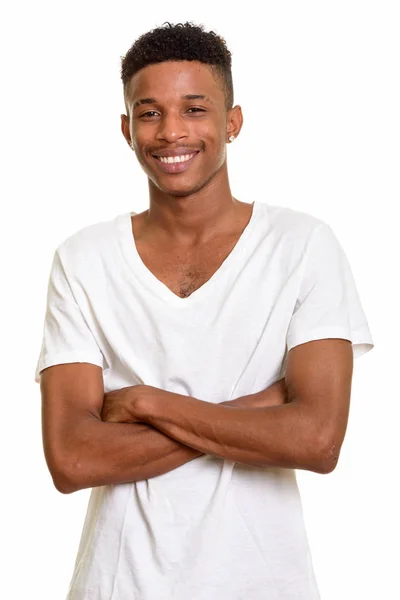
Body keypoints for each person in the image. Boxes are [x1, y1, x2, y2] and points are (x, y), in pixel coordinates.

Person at [34, 21, 374, 600]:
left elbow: (318, 440)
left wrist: (147, 403)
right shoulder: (83, 260)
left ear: (232, 122)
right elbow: (72, 459)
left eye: (194, 109)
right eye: (149, 113)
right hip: (118, 585)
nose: (171, 133)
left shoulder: (303, 246)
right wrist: (263, 411)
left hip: (265, 583)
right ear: (126, 129)